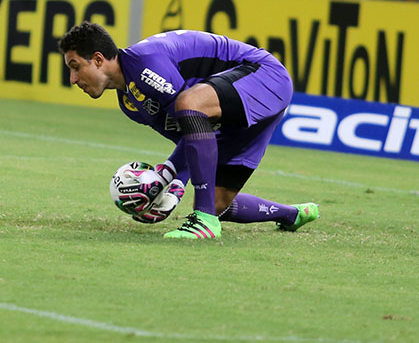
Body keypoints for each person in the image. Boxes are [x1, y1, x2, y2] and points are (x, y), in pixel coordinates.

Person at [58, 22, 319, 239]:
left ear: (98, 59)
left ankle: (204, 222)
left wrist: (163, 176)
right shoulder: (130, 104)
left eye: (75, 66)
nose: (73, 79)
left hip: (264, 76)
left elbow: (192, 110)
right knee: (217, 203)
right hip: (243, 105)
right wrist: (174, 188)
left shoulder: (144, 65)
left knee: (189, 102)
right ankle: (292, 214)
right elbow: (192, 138)